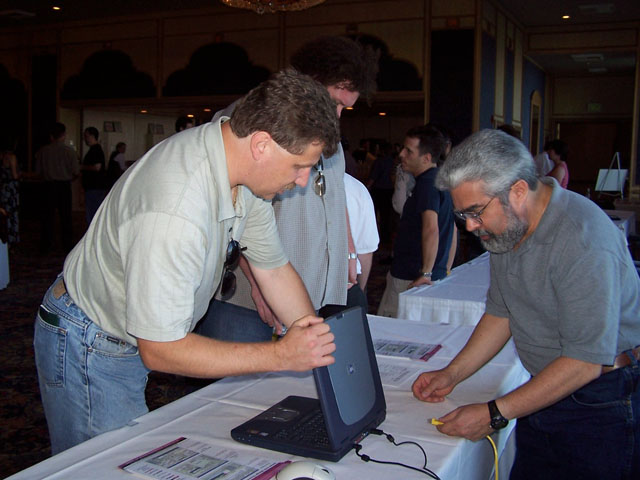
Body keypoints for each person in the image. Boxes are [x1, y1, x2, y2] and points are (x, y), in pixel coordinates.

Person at [33, 69, 340, 454]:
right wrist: (281, 354)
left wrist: (316, 344)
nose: (302, 180)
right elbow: (161, 348)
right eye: (300, 166)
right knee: (104, 465)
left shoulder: (243, 176)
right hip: (90, 338)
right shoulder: (176, 208)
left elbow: (273, 268)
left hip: (126, 331)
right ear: (262, 145)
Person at [412, 129, 640, 479]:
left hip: (600, 401)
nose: (471, 226)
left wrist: (494, 413)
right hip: (545, 388)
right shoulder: (508, 227)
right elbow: (501, 313)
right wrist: (451, 374)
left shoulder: (583, 238)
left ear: (518, 190)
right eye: (463, 216)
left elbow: (584, 363)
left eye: (475, 212)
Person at [196, 35, 378, 342]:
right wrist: (259, 286)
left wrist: (348, 250)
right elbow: (227, 213)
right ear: (310, 80)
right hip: (251, 302)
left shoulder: (326, 132)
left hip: (312, 293)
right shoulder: (250, 119)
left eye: (345, 109)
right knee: (238, 389)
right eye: (334, 102)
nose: (336, 116)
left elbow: (334, 196)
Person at [378, 126, 457, 318]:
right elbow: (452, 228)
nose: (401, 154)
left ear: (426, 158)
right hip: (426, 274)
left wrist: (427, 273)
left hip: (411, 276)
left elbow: (431, 229)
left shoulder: (427, 185)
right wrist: (445, 268)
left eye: (408, 151)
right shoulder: (440, 180)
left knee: (389, 331)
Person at [34, 122, 80, 253]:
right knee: (66, 217)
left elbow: (38, 172)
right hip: (64, 186)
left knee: (47, 217)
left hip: (48, 186)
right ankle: (67, 245)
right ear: (64, 135)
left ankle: (46, 244)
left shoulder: (43, 151)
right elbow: (76, 172)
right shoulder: (69, 152)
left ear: (51, 136)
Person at [344, 172, 379, 294]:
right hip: (347, 282)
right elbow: (365, 250)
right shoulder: (355, 188)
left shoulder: (355, 188)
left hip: (346, 281)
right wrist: (361, 289)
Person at [80, 126, 106, 225]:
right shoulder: (95, 150)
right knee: (93, 212)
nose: (85, 139)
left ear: (92, 136)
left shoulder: (95, 150)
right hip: (94, 186)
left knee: (92, 213)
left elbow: (97, 167)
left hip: (94, 186)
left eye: (86, 136)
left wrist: (82, 167)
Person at [0, 138, 19, 248]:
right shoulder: (12, 157)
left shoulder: (2, 156)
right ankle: (11, 239)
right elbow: (14, 175)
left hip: (3, 188)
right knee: (11, 213)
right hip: (11, 188)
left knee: (4, 213)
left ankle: (5, 237)